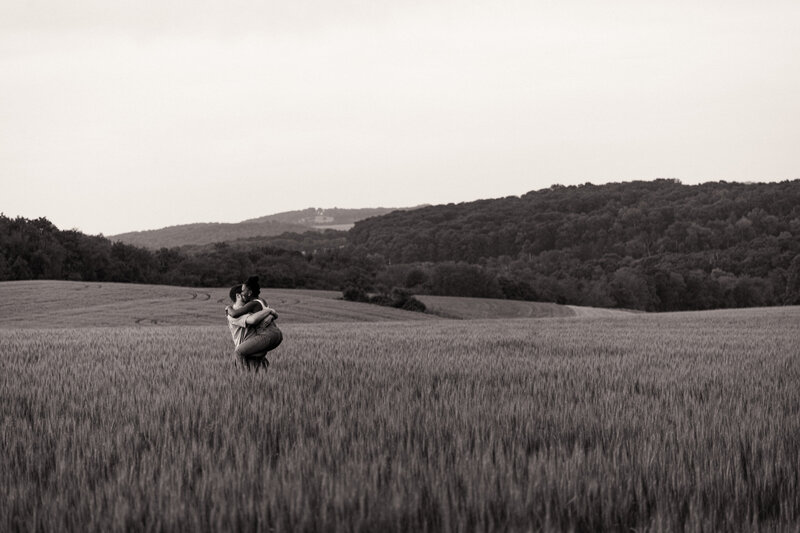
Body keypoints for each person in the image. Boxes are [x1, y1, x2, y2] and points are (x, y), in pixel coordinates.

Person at [226, 276, 283, 368]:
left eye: (243, 290)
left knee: (239, 352)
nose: (242, 292)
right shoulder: (261, 300)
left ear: (249, 293)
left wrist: (228, 308)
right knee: (255, 354)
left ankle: (242, 375)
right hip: (276, 333)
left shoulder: (252, 304)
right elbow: (271, 313)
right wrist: (272, 313)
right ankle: (262, 367)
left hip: (267, 334)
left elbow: (236, 314)